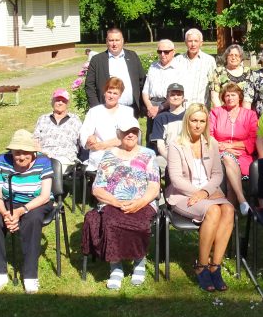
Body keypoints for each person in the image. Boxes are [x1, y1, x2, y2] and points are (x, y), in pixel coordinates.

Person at [165, 104, 236, 292]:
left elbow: (217, 175)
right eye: (194, 120)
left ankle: (215, 266)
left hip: (208, 191)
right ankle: (202, 266)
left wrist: (204, 192)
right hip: (182, 194)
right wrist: (197, 193)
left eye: (202, 121)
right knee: (213, 210)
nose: (198, 125)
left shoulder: (211, 143)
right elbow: (176, 179)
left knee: (228, 210)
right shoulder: (176, 145)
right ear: (187, 121)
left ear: (206, 123)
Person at [84, 117, 161, 290]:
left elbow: (154, 186)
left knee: (140, 223)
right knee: (111, 222)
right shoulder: (109, 155)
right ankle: (115, 266)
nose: (131, 134)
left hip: (143, 200)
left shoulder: (148, 154)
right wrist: (116, 202)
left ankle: (139, 261)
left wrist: (139, 203)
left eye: (134, 131)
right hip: (113, 202)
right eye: (126, 131)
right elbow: (97, 188)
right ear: (119, 133)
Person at [0, 130, 55, 296]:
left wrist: (21, 211)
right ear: (11, 152)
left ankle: (30, 275)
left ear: (33, 152)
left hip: (36, 201)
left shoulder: (44, 162)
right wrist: (6, 214)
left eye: (25, 153)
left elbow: (45, 196)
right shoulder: (2, 160)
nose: (21, 157)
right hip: (9, 200)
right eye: (17, 153)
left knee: (33, 218)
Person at [209, 82, 258, 216]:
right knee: (227, 158)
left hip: (243, 154)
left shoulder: (250, 115)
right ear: (223, 98)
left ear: (240, 97)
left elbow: (253, 139)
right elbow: (209, 136)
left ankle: (230, 214)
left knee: (230, 171)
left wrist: (229, 146)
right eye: (227, 95)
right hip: (219, 152)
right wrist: (223, 148)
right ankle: (242, 200)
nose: (230, 98)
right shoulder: (216, 112)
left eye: (233, 95)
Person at [85, 27, 146, 115]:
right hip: (107, 111)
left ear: (122, 41)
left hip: (131, 110)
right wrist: (97, 109)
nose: (114, 44)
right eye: (111, 40)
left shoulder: (132, 56)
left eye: (117, 40)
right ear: (106, 41)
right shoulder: (97, 60)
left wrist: (143, 105)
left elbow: (142, 81)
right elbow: (89, 86)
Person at [79, 77, 136, 172]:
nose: (111, 96)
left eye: (115, 93)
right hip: (99, 155)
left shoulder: (127, 112)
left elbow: (129, 137)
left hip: (122, 152)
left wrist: (103, 144)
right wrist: (89, 140)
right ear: (104, 92)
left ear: (120, 95)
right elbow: (85, 135)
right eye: (109, 92)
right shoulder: (94, 112)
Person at [32, 88, 82, 172]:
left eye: (63, 101)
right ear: (52, 102)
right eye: (57, 100)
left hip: (66, 157)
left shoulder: (75, 120)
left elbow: (82, 141)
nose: (60, 103)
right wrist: (41, 153)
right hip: (44, 156)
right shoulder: (43, 119)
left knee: (56, 166)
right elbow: (35, 140)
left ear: (67, 103)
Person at [142, 39, 182, 121]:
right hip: (152, 106)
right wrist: (150, 107)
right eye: (160, 52)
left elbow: (177, 94)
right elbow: (145, 91)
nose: (162, 54)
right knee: (151, 133)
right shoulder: (153, 66)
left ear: (173, 52)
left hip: (170, 106)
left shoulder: (179, 69)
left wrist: (160, 108)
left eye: (166, 52)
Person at [175, 28, 216, 107]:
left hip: (201, 108)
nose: (193, 44)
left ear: (201, 43)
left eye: (196, 41)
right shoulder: (177, 60)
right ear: (186, 43)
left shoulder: (209, 61)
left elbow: (213, 85)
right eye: (190, 41)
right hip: (181, 108)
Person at [148, 82, 186, 162]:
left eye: (179, 94)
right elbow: (160, 145)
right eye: (172, 95)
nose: (175, 97)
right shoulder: (160, 118)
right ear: (167, 97)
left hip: (188, 154)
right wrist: (170, 159)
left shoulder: (190, 115)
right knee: (154, 163)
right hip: (168, 155)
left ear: (183, 97)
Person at [209, 43, 255, 109]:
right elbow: (214, 97)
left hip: (245, 110)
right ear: (226, 57)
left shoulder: (248, 72)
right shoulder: (219, 72)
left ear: (241, 57)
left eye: (236, 55)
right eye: (231, 55)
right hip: (224, 111)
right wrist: (220, 113)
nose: (233, 58)